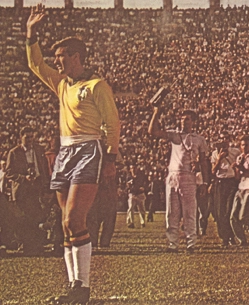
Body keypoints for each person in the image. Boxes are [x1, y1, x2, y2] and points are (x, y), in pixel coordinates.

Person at [27, 4, 120, 303]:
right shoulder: (62, 84)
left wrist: (111, 158)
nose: (58, 62)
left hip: (88, 150)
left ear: (76, 56)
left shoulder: (96, 85)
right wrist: (31, 33)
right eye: (56, 58)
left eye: (62, 57)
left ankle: (83, 287)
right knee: (65, 223)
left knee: (73, 219)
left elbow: (112, 123)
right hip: (65, 152)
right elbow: (36, 65)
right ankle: (74, 287)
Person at [148, 106, 209, 253]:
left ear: (193, 121)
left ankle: (191, 243)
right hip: (173, 175)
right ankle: (172, 244)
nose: (183, 122)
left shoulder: (199, 139)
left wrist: (205, 182)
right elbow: (152, 132)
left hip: (189, 176)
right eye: (182, 119)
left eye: (187, 119)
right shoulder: (175, 136)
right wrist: (156, 113)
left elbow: (204, 162)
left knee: (189, 211)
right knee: (172, 211)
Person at [4, 127, 50, 256]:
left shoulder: (39, 150)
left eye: (31, 137)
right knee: (23, 218)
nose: (30, 140)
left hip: (37, 188)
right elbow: (8, 172)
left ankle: (37, 245)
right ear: (21, 137)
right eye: (27, 137)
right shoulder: (14, 152)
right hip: (22, 190)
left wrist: (44, 184)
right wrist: (23, 178)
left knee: (37, 216)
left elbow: (44, 168)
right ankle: (25, 245)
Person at [210, 134, 240, 247]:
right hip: (220, 182)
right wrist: (219, 159)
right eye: (221, 139)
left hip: (231, 182)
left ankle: (231, 236)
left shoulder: (235, 152)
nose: (223, 141)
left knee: (229, 210)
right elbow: (213, 171)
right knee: (220, 212)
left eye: (226, 139)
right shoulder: (215, 153)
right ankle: (224, 238)